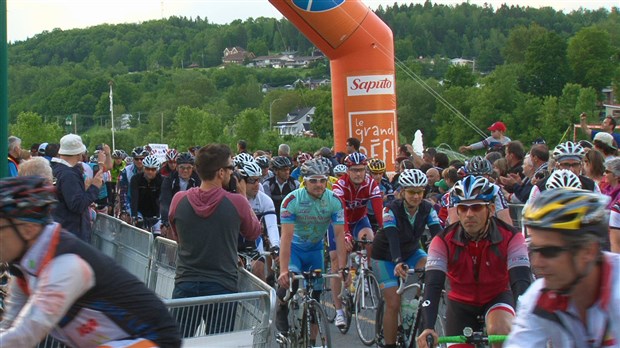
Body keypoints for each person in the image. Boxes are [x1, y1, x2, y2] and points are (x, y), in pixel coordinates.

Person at [0, 176, 181, 347]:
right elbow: (10, 325)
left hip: (151, 339)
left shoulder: (66, 263)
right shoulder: (24, 262)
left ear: (28, 229)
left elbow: (27, 332)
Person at [417, 175, 532, 348]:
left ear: (491, 209)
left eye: (476, 207)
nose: (469, 214)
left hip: (497, 297)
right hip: (460, 304)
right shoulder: (442, 241)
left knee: (501, 330)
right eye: (463, 208)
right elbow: (433, 285)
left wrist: (526, 322)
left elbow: (520, 280)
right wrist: (428, 327)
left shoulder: (511, 237)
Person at [505, 189, 620, 347]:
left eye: (549, 251)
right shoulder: (538, 297)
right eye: (534, 250)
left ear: (589, 250)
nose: (537, 263)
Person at [169, 144, 261, 336]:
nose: (232, 172)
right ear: (220, 172)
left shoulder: (179, 200)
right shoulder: (237, 202)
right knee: (218, 342)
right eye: (230, 168)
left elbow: (177, 236)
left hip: (186, 283)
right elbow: (254, 232)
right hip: (222, 285)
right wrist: (242, 194)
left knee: (178, 341)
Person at [275, 158, 348, 342]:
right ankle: (282, 309)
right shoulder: (292, 200)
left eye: (323, 180)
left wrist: (343, 267)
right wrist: (284, 270)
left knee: (315, 298)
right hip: (295, 251)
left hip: (315, 251)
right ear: (304, 181)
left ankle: (312, 342)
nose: (319, 185)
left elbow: (339, 236)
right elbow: (286, 237)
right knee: (289, 286)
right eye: (313, 180)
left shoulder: (334, 201)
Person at [372, 169, 443, 348]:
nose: (417, 196)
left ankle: (415, 305)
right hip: (386, 256)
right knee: (393, 303)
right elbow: (392, 237)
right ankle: (390, 344)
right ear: (402, 192)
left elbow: (438, 236)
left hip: (412, 252)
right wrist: (397, 262)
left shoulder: (427, 208)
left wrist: (447, 258)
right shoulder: (390, 209)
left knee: (431, 265)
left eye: (420, 192)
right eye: (412, 192)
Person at [330, 152, 384, 327]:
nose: (358, 174)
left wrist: (385, 229)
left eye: (361, 170)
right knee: (337, 263)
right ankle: (338, 311)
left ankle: (364, 271)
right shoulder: (340, 185)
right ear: (348, 170)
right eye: (354, 170)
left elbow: (378, 209)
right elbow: (341, 212)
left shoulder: (371, 184)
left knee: (370, 238)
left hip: (360, 220)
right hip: (339, 222)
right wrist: (345, 234)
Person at [51, 134, 103, 242]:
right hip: (71, 234)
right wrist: (94, 187)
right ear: (79, 153)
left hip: (61, 230)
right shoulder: (68, 175)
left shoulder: (55, 169)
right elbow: (77, 205)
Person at [238, 160, 280, 282]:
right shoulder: (230, 197)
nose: (256, 184)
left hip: (253, 244)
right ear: (241, 181)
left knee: (259, 270)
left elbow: (272, 226)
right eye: (252, 180)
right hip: (232, 244)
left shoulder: (264, 200)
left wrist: (275, 246)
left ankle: (260, 302)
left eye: (258, 180)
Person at [160, 152, 200, 237]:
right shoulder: (169, 180)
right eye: (182, 168)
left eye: (188, 168)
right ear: (177, 168)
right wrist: (165, 222)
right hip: (173, 213)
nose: (185, 170)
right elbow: (165, 201)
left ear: (192, 168)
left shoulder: (197, 180)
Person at [130, 155, 163, 235]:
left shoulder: (162, 180)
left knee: (158, 234)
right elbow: (134, 197)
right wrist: (134, 215)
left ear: (157, 170)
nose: (150, 172)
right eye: (147, 169)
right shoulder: (136, 179)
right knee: (140, 230)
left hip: (155, 211)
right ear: (144, 168)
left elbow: (163, 199)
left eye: (153, 169)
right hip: (140, 209)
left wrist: (162, 217)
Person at [263, 156, 299, 225]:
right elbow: (267, 205)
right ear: (276, 171)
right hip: (273, 219)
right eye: (284, 170)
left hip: (290, 220)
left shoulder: (294, 183)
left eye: (288, 169)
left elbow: (297, 205)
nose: (287, 172)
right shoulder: (268, 184)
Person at [118, 146, 149, 218]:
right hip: (131, 202)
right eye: (136, 159)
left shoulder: (152, 170)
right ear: (133, 159)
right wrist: (123, 209)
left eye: (142, 159)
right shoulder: (126, 171)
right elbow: (123, 192)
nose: (139, 161)